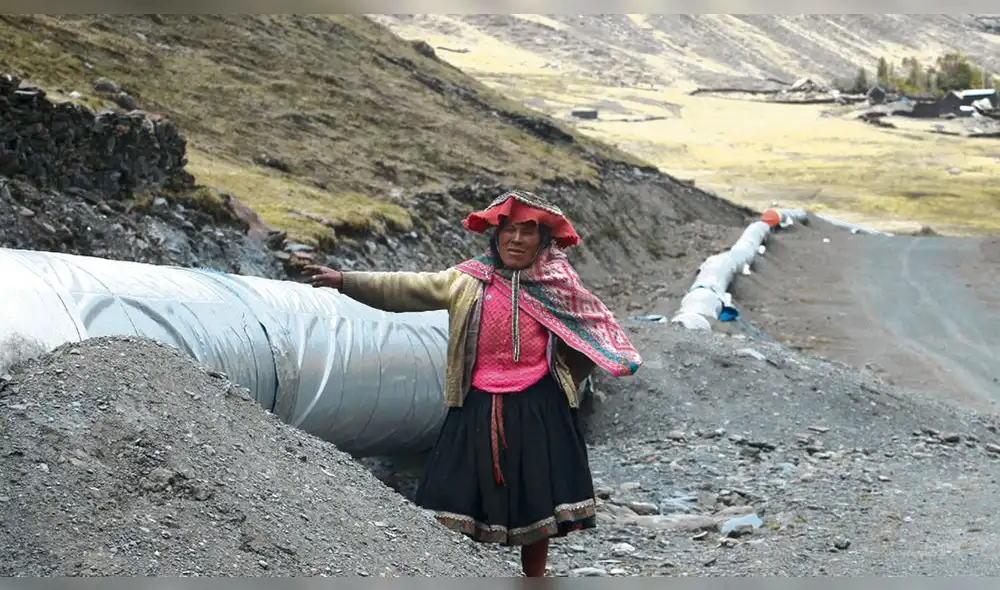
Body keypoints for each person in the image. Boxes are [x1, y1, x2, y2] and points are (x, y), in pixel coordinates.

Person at [303, 189, 642, 577]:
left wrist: (565, 380)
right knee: (455, 494)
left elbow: (594, 336)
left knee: (536, 497)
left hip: (539, 406)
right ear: (495, 237)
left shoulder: (559, 286)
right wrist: (346, 280)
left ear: (543, 241)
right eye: (508, 231)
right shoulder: (468, 281)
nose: (516, 239)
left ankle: (534, 577)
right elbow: (407, 288)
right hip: (476, 402)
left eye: (527, 232)